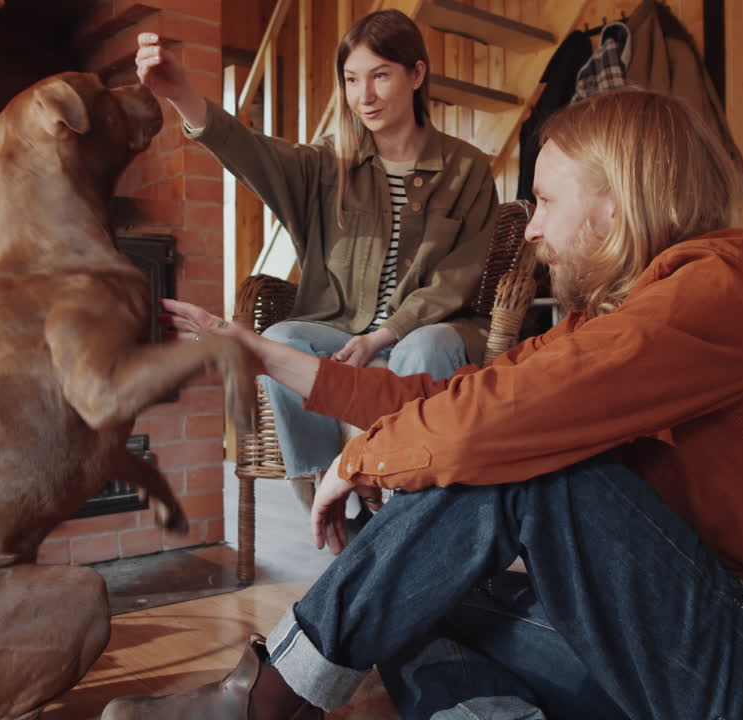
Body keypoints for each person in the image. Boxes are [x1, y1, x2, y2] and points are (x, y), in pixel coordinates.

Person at [103, 88, 743, 720]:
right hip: (699, 641)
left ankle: (265, 698)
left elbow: (493, 422)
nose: (530, 228)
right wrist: (265, 354)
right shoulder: (619, 317)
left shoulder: (720, 290)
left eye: (546, 201)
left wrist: (358, 458)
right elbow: (455, 397)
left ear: (615, 203)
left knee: (526, 467)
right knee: (409, 594)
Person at [135, 10, 499, 513]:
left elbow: (458, 277)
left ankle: (410, 502)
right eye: (351, 80)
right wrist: (181, 95)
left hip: (429, 329)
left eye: (380, 76)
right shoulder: (329, 164)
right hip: (339, 328)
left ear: (416, 75)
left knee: (426, 346)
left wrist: (382, 336)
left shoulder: (467, 169)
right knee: (282, 338)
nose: (364, 96)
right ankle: (326, 494)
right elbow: (252, 153)